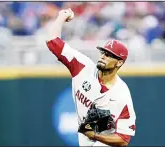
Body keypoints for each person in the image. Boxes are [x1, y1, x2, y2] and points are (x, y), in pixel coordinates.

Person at [46, 8, 136, 146]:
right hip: (86, 139)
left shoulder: (122, 94)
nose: (103, 56)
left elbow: (124, 139)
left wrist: (95, 135)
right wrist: (61, 17)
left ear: (119, 62)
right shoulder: (82, 66)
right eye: (103, 52)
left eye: (109, 55)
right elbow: (52, 41)